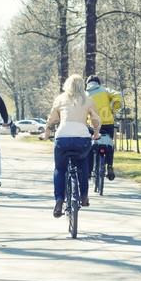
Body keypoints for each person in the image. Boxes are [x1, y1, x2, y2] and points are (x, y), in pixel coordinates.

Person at [42, 74, 102, 218]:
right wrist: (96, 133)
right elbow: (95, 119)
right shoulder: (88, 100)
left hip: (62, 138)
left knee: (60, 169)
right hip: (81, 139)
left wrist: (46, 132)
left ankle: (58, 201)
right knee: (83, 165)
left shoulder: (60, 99)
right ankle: (84, 196)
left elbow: (52, 120)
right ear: (83, 86)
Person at [86, 75, 123, 180]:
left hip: (92, 124)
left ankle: (88, 172)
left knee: (90, 146)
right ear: (98, 83)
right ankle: (110, 166)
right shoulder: (105, 91)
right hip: (108, 123)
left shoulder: (85, 94)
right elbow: (118, 95)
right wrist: (114, 108)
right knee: (109, 145)